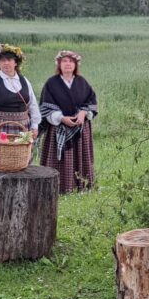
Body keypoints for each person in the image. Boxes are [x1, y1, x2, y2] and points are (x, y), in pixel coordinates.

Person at [0, 42, 41, 205]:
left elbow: (33, 105)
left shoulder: (24, 81)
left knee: (20, 164)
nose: (6, 63)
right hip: (0, 130)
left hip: (22, 129)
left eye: (9, 60)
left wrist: (35, 126)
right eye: (2, 60)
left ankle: (20, 198)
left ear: (16, 63)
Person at [39, 50, 98, 194]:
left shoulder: (82, 82)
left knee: (80, 156)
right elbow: (46, 106)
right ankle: (58, 187)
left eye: (71, 61)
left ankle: (81, 185)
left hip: (80, 128)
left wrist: (83, 113)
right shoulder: (51, 83)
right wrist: (61, 118)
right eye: (64, 61)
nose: (68, 64)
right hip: (58, 128)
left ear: (76, 65)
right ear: (59, 64)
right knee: (59, 159)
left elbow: (91, 102)